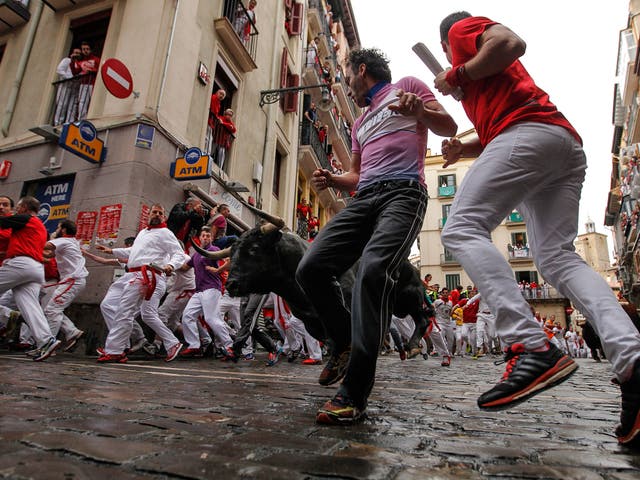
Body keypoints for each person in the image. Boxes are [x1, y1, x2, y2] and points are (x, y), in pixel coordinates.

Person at [435, 11, 640, 445]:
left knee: (462, 227)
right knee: (557, 258)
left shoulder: (461, 30)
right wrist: (463, 144)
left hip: (531, 134)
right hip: (559, 144)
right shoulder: (482, 85)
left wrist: (458, 70)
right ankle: (633, 361)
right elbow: (495, 127)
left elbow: (510, 42)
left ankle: (529, 344)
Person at [295, 47, 457, 425]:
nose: (346, 84)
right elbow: (357, 175)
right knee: (311, 267)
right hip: (364, 199)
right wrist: (335, 179)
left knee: (372, 272)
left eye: (347, 75)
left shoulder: (408, 87)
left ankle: (353, 394)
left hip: (404, 194)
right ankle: (344, 340)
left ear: (361, 71)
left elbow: (447, 126)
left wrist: (420, 111)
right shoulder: (359, 123)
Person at [96, 204, 186, 363]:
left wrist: (171, 265)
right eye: (154, 212)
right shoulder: (143, 233)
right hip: (131, 274)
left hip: (146, 275)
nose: (157, 215)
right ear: (148, 215)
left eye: (160, 213)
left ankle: (116, 350)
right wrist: (112, 251)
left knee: (125, 310)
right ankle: (171, 343)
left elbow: (178, 253)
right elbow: (133, 252)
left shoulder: (165, 233)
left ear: (164, 217)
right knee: (109, 304)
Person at [0, 197, 59, 361]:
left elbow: (3, 223)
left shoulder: (26, 218)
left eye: (17, 207)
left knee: (28, 306)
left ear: (24, 207)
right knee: (30, 307)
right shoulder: (40, 226)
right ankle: (46, 341)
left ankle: (7, 316)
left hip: (20, 264)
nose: (16, 210)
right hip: (35, 269)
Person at [72, 41, 100, 120]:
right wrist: (72, 61)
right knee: (82, 102)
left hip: (93, 83)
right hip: (83, 83)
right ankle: (82, 119)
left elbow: (100, 70)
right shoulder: (80, 61)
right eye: (83, 49)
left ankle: (92, 117)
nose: (85, 51)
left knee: (92, 101)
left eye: (87, 49)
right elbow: (75, 72)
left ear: (91, 50)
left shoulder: (96, 59)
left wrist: (93, 71)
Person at [53, 47, 81, 125]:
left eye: (79, 53)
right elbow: (59, 70)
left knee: (72, 105)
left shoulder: (79, 64)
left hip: (74, 86)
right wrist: (69, 77)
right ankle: (58, 123)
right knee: (62, 104)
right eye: (76, 52)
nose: (77, 55)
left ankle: (69, 123)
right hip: (65, 85)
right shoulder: (67, 60)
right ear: (72, 53)